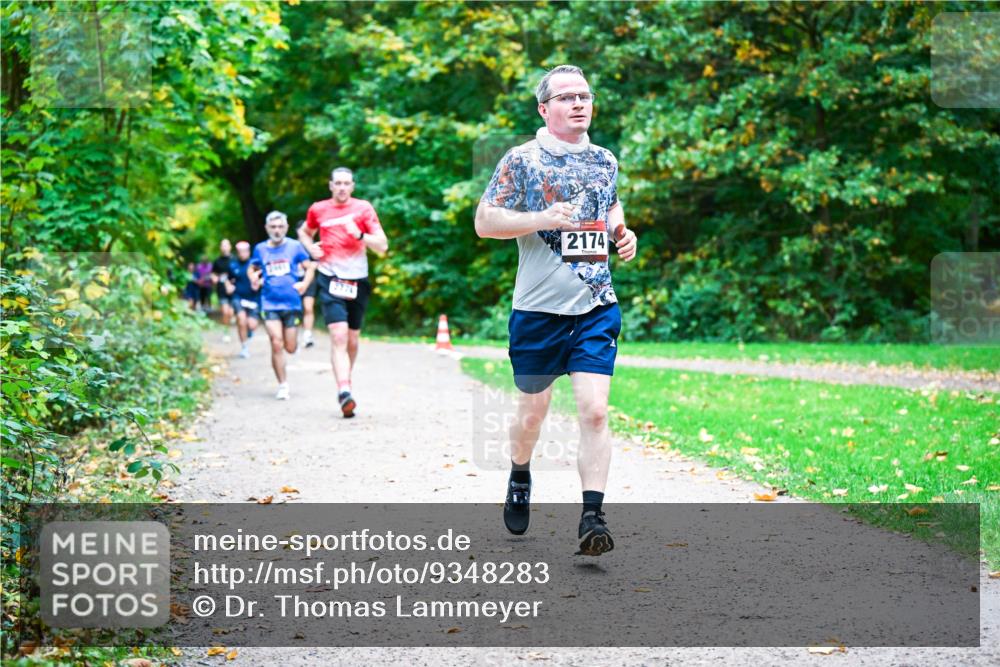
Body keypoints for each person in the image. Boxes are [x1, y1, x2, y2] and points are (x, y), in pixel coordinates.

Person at [474, 65, 638, 556]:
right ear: (544, 109)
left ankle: (593, 517)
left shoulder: (605, 160)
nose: (579, 103)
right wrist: (539, 218)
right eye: (566, 97)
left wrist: (621, 233)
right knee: (532, 414)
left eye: (585, 95)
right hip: (538, 312)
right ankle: (520, 473)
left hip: (595, 306)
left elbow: (610, 206)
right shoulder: (522, 160)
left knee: (594, 411)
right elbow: (485, 221)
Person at [299, 167, 388, 418]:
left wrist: (360, 234)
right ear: (330, 185)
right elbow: (304, 232)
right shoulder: (318, 209)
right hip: (330, 278)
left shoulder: (363, 209)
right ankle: (344, 391)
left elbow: (382, 246)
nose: (341, 187)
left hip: (357, 280)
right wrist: (310, 248)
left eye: (346, 183)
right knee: (338, 336)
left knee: (351, 340)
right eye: (337, 183)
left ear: (352, 186)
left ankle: (346, 381)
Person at [249, 211, 316, 400]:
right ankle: (283, 384)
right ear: (266, 228)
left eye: (280, 227)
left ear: (286, 228)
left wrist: (304, 284)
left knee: (290, 347)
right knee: (276, 343)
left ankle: (293, 347)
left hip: (291, 303)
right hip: (269, 303)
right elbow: (252, 268)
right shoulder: (260, 249)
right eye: (273, 227)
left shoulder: (295, 247)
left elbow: (309, 266)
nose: (277, 230)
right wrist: (253, 278)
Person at [227, 241, 261, 358]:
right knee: (241, 320)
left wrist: (258, 283)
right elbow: (228, 279)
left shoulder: (255, 264)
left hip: (253, 297)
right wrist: (228, 286)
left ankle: (248, 332)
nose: (242, 254)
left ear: (248, 251)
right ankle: (244, 347)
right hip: (238, 296)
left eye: (245, 251)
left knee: (251, 325)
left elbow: (264, 278)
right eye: (240, 251)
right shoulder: (232, 265)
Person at [296, 220, 318, 349]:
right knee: (294, 309)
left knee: (308, 307)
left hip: (309, 280)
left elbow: (319, 262)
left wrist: (311, 266)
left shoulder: (314, 246)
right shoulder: (292, 246)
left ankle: (307, 335)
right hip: (294, 280)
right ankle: (292, 333)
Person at [211, 239, 235, 341]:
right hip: (221, 289)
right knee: (225, 312)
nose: (224, 247)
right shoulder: (217, 261)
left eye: (226, 245)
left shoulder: (235, 260)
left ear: (230, 247)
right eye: (222, 245)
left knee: (231, 312)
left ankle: (232, 320)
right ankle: (226, 332)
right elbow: (213, 273)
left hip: (234, 289)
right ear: (220, 248)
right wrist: (214, 278)